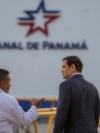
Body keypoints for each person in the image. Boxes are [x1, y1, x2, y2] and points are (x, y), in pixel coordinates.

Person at [53, 55, 99, 133]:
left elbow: (62, 113)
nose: (61, 70)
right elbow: (96, 114)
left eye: (64, 67)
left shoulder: (66, 85)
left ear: (72, 67)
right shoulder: (93, 87)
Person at [0, 68, 44, 133]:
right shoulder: (8, 100)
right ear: (3, 84)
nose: (11, 84)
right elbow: (24, 120)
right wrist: (34, 107)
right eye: (9, 81)